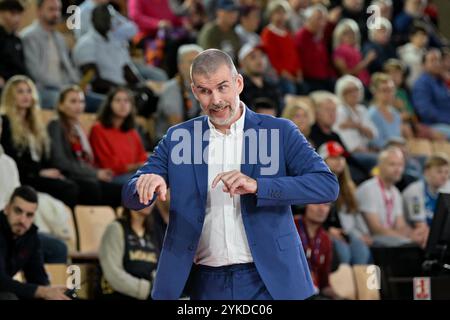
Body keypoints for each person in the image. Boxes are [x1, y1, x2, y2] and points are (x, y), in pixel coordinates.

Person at [122, 49, 339, 300]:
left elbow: (327, 185)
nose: (215, 100)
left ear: (238, 83)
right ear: (194, 92)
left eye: (222, 87)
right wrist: (149, 182)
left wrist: (259, 186)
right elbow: (130, 194)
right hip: (203, 282)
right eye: (205, 91)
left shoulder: (279, 131)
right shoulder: (179, 137)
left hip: (269, 280)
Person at [0, 75, 79, 208]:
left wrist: (51, 171)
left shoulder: (35, 123)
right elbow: (10, 157)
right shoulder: (5, 122)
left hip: (37, 174)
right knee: (69, 188)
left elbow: (43, 156)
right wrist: (39, 172)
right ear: (11, 95)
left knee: (74, 182)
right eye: (20, 91)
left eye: (29, 91)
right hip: (23, 175)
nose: (26, 95)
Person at [47, 85, 122, 207]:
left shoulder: (78, 128)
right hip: (68, 176)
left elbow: (86, 160)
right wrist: (95, 174)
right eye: (73, 101)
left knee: (120, 191)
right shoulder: (55, 125)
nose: (78, 106)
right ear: (61, 105)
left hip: (84, 175)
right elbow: (60, 161)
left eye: (81, 101)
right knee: (92, 188)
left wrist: (97, 172)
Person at [0, 186, 70, 300]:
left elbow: (38, 278)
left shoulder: (30, 236)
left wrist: (51, 292)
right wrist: (42, 291)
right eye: (18, 211)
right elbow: (1, 281)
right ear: (7, 208)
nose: (23, 220)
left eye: (29, 215)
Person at [356, 146, 428, 248]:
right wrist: (408, 238)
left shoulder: (396, 192)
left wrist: (414, 234)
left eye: (400, 165)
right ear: (380, 166)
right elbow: (376, 230)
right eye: (392, 164)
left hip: (389, 238)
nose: (397, 169)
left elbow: (401, 225)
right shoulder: (369, 189)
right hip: (371, 240)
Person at [318, 141, 372, 265]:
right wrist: (327, 229)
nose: (339, 161)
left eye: (341, 157)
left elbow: (355, 213)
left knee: (361, 250)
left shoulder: (348, 187)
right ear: (322, 159)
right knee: (343, 253)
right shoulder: (317, 185)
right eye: (334, 157)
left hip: (346, 232)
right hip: (324, 230)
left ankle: (359, 284)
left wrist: (363, 234)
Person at [20, 0, 80, 109]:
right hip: (43, 90)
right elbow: (35, 72)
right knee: (68, 102)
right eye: (51, 9)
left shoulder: (60, 38)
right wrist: (63, 88)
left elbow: (69, 68)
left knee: (102, 102)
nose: (56, 14)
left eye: (58, 10)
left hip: (64, 89)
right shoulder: (29, 36)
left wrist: (78, 85)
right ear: (39, 11)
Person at [98, 205, 162, 300]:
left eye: (153, 196)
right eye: (143, 194)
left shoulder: (153, 232)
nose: (150, 201)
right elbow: (113, 274)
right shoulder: (115, 229)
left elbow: (158, 270)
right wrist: (147, 289)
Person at [89, 87, 148, 185]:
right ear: (109, 104)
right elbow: (109, 165)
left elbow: (142, 156)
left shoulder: (132, 132)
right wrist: (136, 166)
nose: (123, 104)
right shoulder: (98, 129)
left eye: (126, 101)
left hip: (133, 174)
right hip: (111, 177)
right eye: (118, 100)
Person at [155, 44, 203, 140]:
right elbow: (178, 127)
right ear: (180, 66)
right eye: (191, 62)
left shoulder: (206, 88)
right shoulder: (171, 89)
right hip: (171, 144)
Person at [294, 203, 340, 299]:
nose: (322, 209)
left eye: (326, 205)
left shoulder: (325, 239)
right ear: (305, 204)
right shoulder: (291, 227)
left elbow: (324, 284)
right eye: (317, 203)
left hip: (315, 293)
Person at [334, 75, 378, 171]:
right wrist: (357, 148)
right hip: (352, 153)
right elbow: (340, 135)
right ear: (341, 94)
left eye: (356, 90)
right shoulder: (339, 111)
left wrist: (357, 126)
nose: (353, 94)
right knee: (380, 160)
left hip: (367, 150)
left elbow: (373, 134)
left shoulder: (362, 110)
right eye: (348, 91)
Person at [261, 0, 303, 95]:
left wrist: (298, 71)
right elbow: (272, 57)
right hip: (280, 76)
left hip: (293, 75)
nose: (281, 16)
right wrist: (285, 74)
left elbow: (294, 54)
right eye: (277, 13)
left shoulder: (287, 33)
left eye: (283, 13)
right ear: (271, 15)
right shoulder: (268, 33)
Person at [294, 4, 334, 93]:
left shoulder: (320, 36)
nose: (322, 23)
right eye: (319, 19)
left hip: (324, 79)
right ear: (309, 19)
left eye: (324, 19)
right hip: (309, 80)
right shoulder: (301, 36)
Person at [403, 153, 450, 229]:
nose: (444, 176)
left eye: (447, 172)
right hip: (414, 235)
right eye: (439, 171)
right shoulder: (414, 191)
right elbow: (420, 226)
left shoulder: (447, 189)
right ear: (426, 172)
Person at [412, 49, 450, 139]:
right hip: (433, 125)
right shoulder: (421, 83)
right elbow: (426, 111)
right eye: (432, 60)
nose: (437, 63)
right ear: (424, 65)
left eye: (438, 60)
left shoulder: (440, 81)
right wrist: (448, 119)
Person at [238, 43, 282, 116]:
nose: (259, 61)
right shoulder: (238, 87)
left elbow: (280, 110)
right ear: (242, 63)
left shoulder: (272, 84)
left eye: (262, 56)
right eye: (253, 57)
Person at [368, 73, 405, 151]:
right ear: (375, 92)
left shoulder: (396, 113)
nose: (390, 94)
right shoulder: (372, 114)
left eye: (392, 90)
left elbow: (399, 137)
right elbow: (374, 143)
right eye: (385, 90)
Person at [332, 19, 374, 87]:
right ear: (339, 35)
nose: (350, 35)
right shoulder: (339, 51)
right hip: (353, 86)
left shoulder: (356, 50)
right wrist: (367, 61)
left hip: (365, 83)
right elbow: (346, 74)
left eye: (352, 32)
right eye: (345, 33)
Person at [0, 0, 28, 88]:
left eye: (19, 14)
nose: (17, 18)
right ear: (1, 13)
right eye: (12, 13)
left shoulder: (17, 40)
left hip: (18, 84)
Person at [397, 23, 429, 89]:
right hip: (409, 85)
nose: (422, 38)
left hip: (423, 86)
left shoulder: (426, 53)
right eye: (420, 36)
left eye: (424, 36)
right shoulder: (402, 50)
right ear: (411, 37)